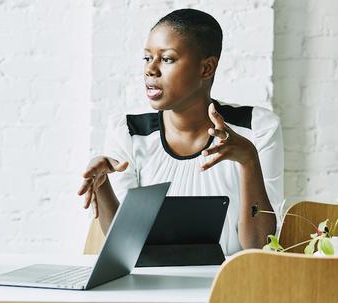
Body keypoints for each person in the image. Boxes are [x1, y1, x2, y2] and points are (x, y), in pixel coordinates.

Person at [77, 9, 283, 255]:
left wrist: (248, 159)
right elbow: (126, 249)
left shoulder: (256, 128)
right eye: (147, 58)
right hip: (151, 289)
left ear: (206, 68)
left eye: (166, 59)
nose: (150, 70)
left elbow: (259, 246)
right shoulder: (128, 133)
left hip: (230, 286)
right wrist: (102, 186)